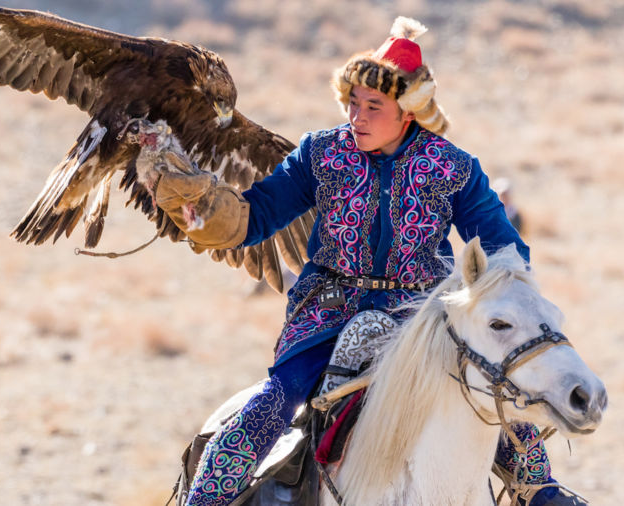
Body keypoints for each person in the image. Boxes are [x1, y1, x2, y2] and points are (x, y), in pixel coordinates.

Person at [155, 17, 577, 506]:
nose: (357, 116)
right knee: (276, 398)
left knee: (487, 384)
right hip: (328, 309)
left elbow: (504, 248)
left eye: (373, 106)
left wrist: (497, 289)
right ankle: (204, 499)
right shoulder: (321, 153)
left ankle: (540, 491)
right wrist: (206, 214)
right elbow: (258, 216)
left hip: (423, 315)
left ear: (408, 111)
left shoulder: (453, 167)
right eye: (353, 102)